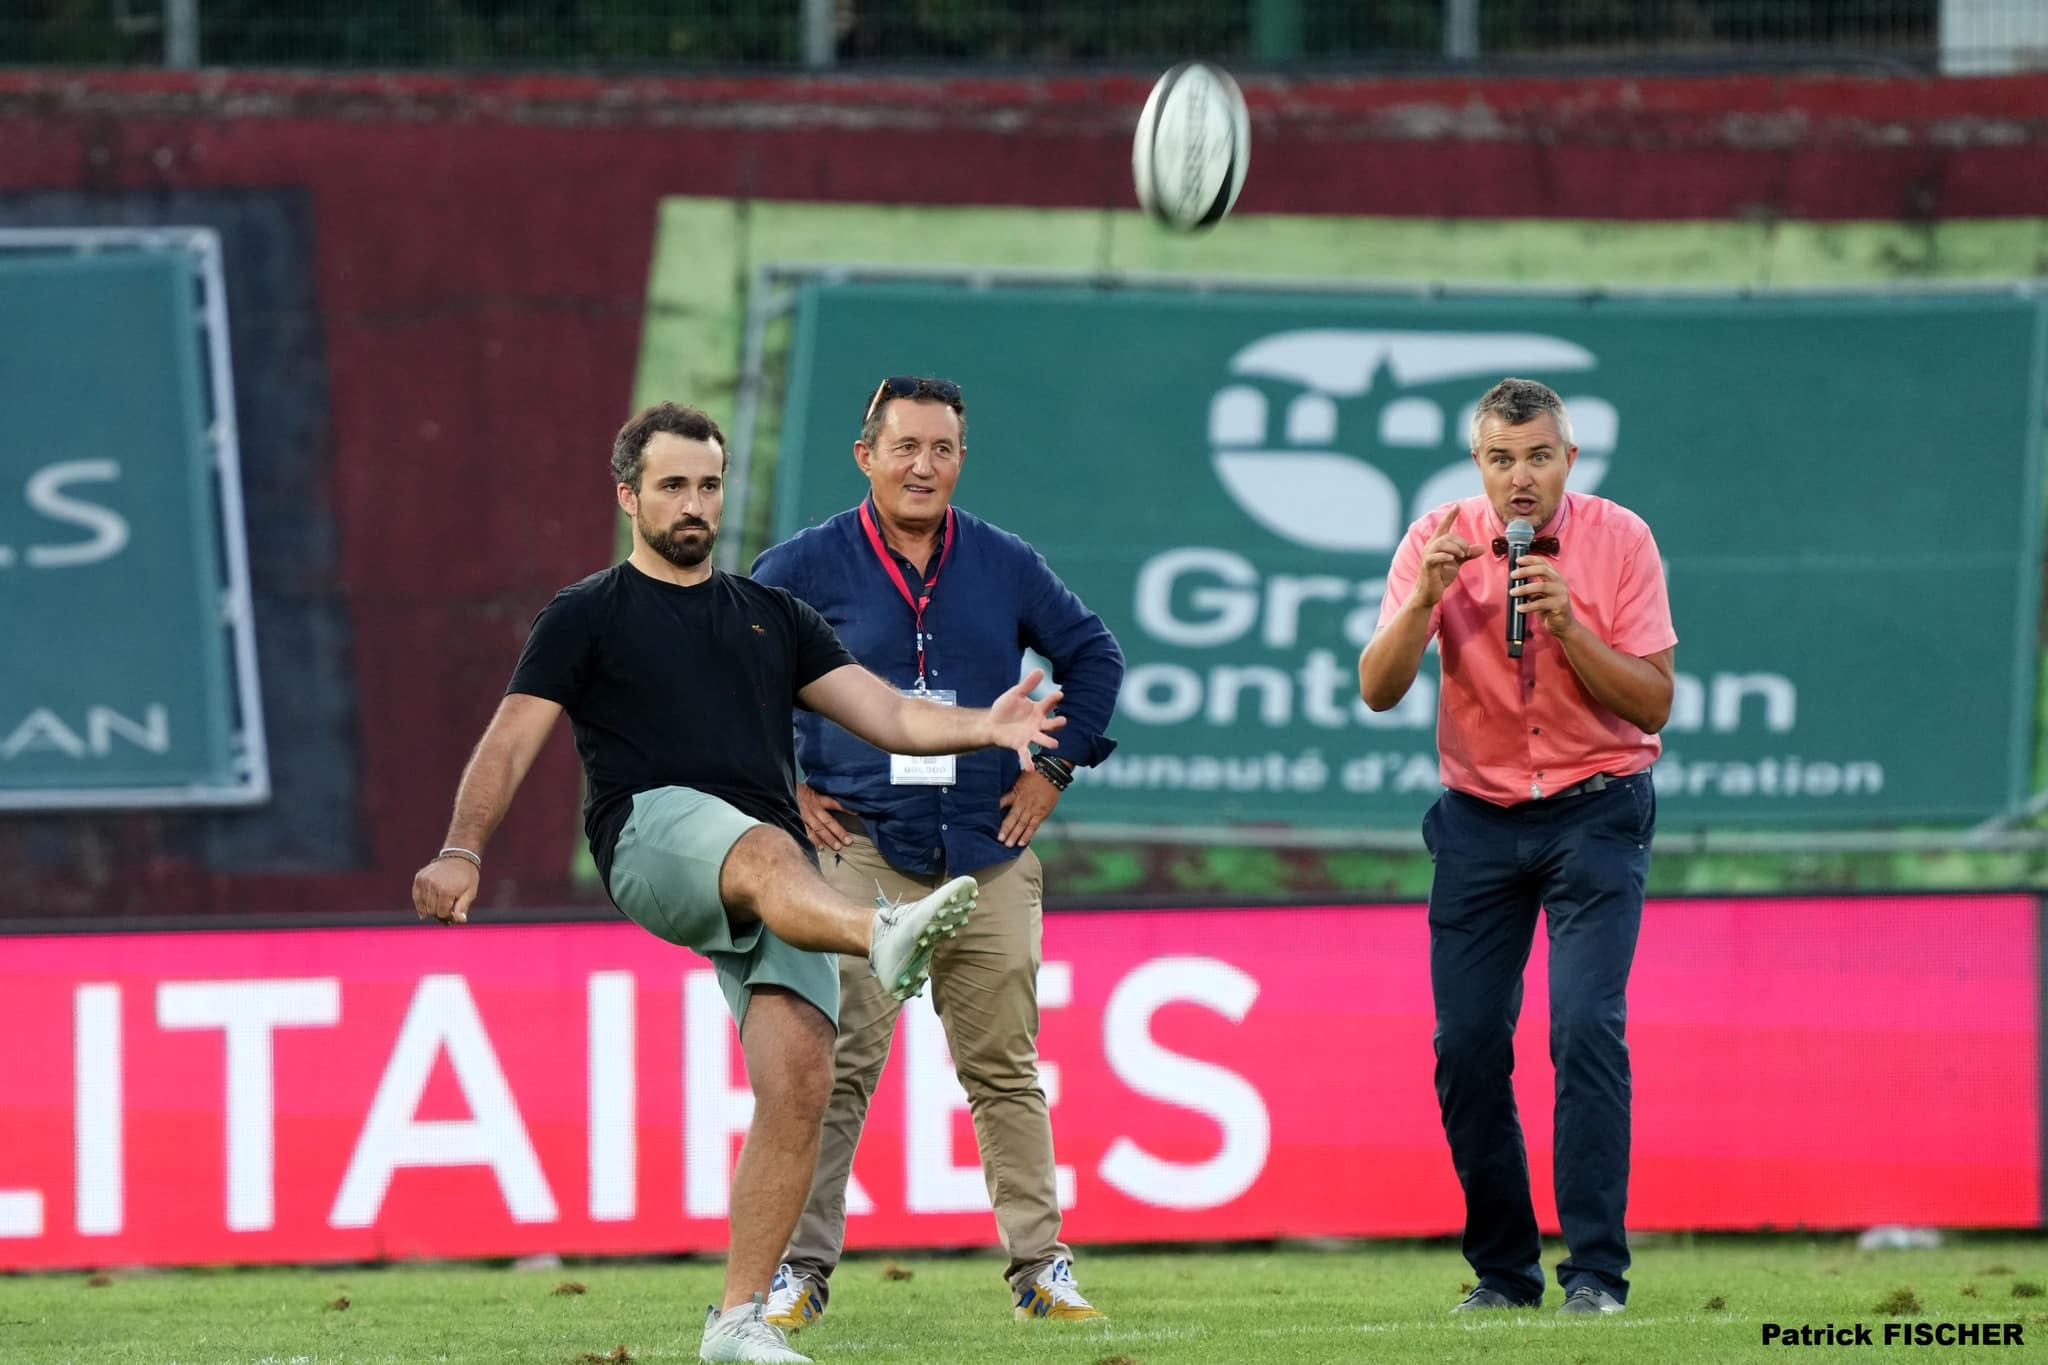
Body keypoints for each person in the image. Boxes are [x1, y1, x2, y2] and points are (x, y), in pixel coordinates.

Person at [409, 402, 1069, 1365]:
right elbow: (512, 739)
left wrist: (988, 726)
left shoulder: (773, 616)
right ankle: (883, 930)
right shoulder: (587, 612)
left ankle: (737, 1319)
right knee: (769, 848)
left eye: (708, 484)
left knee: (801, 1072)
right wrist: (462, 849)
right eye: (672, 485)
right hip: (651, 836)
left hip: (769, 878)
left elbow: (884, 712)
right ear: (629, 496)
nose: (693, 503)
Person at [749, 375, 1124, 1328]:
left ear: (961, 458)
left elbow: (1095, 656)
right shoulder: (802, 565)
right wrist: (784, 787)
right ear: (864, 455)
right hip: (863, 855)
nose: (924, 464)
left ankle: (1042, 1271)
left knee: (1005, 1069)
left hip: (985, 852)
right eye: (906, 446)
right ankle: (799, 1272)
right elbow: (731, 673)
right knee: (832, 1071)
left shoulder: (1002, 561)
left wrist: (1056, 767)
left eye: (942, 448)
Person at [1357, 377, 1675, 1318]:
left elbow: (1652, 703)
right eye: (1500, 458)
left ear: (1570, 460)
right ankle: (1503, 1271)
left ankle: (1596, 1273)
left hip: (1598, 808)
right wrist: (1422, 600)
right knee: (1464, 1045)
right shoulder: (1436, 538)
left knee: (1583, 1028)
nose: (1519, 476)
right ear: (1478, 466)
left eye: (1538, 456)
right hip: (1478, 819)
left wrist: (1570, 625)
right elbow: (1377, 689)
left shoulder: (1622, 539)